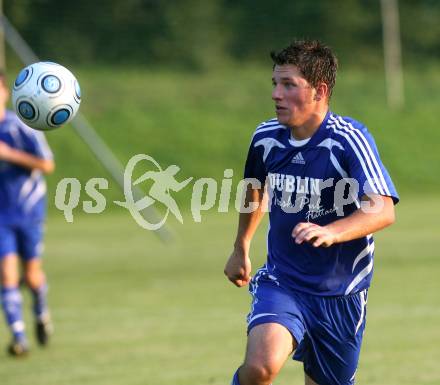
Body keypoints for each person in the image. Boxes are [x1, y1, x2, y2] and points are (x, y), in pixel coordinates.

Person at [224, 40, 398, 385]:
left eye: (288, 85)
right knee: (260, 367)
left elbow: (382, 210)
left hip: (341, 293)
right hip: (282, 281)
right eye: (275, 83)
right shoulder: (266, 138)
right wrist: (241, 246)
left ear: (319, 91)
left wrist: (332, 231)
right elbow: (254, 189)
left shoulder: (349, 139)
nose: (276, 94)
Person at [0, 72, 54, 356]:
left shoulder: (22, 125)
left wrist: (9, 155)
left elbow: (47, 165)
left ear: (6, 92)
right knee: (7, 274)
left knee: (32, 275)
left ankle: (41, 313)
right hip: (0, 216)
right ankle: (19, 338)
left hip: (29, 210)